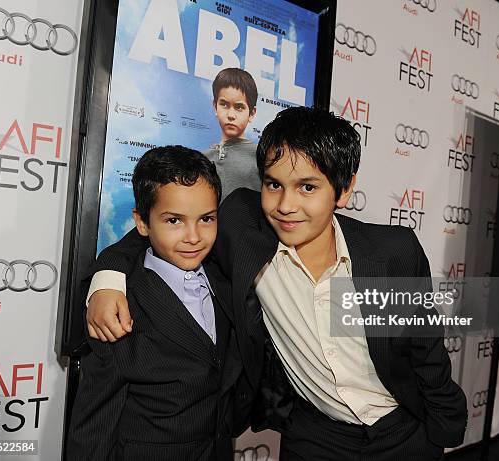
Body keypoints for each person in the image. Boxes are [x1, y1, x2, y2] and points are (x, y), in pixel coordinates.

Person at [86, 107, 467, 460]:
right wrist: (108, 276)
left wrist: (440, 432)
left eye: (307, 187)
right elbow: (164, 227)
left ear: (345, 190)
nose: (285, 205)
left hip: (401, 433)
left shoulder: (392, 253)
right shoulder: (243, 228)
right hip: (313, 436)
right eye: (273, 184)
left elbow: (425, 349)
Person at [67, 146, 249, 461]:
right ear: (142, 223)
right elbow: (94, 426)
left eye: (206, 219)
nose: (193, 236)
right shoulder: (119, 307)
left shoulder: (224, 276)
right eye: (174, 221)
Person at [203, 67, 261, 199]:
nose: (231, 115)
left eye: (239, 107)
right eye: (224, 104)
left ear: (251, 113)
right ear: (215, 106)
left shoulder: (260, 157)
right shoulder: (201, 159)